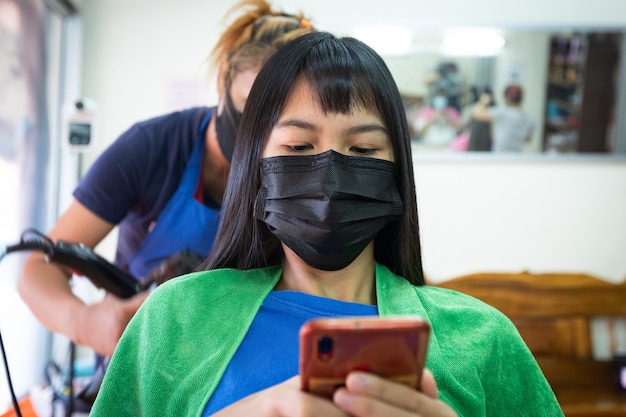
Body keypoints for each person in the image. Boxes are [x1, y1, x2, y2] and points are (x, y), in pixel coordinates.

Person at [90, 32, 564, 416]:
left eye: (363, 151)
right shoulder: (174, 319)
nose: (331, 174)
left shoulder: (483, 338)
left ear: (398, 173)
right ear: (255, 167)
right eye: (298, 148)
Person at [17, 0, 313, 364]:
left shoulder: (298, 171)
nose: (258, 132)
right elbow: (37, 269)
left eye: (279, 120)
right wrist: (87, 322)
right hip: (142, 355)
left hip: (235, 360)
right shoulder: (151, 148)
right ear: (224, 75)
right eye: (250, 107)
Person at [472, 83, 534, 152]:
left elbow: (476, 114)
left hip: (500, 157)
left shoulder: (503, 112)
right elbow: (528, 139)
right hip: (517, 157)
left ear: (506, 97)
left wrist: (483, 101)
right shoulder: (530, 118)